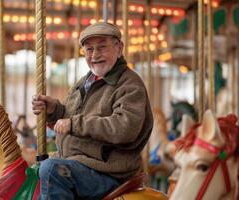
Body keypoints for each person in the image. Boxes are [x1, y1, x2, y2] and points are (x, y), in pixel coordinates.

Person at [32, 22, 153, 200]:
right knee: (32, 169)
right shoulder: (85, 82)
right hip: (79, 163)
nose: (95, 55)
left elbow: (124, 128)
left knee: (51, 169)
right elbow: (70, 115)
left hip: (108, 171)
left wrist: (74, 124)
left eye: (102, 47)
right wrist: (54, 109)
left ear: (119, 48)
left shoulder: (130, 85)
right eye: (89, 50)